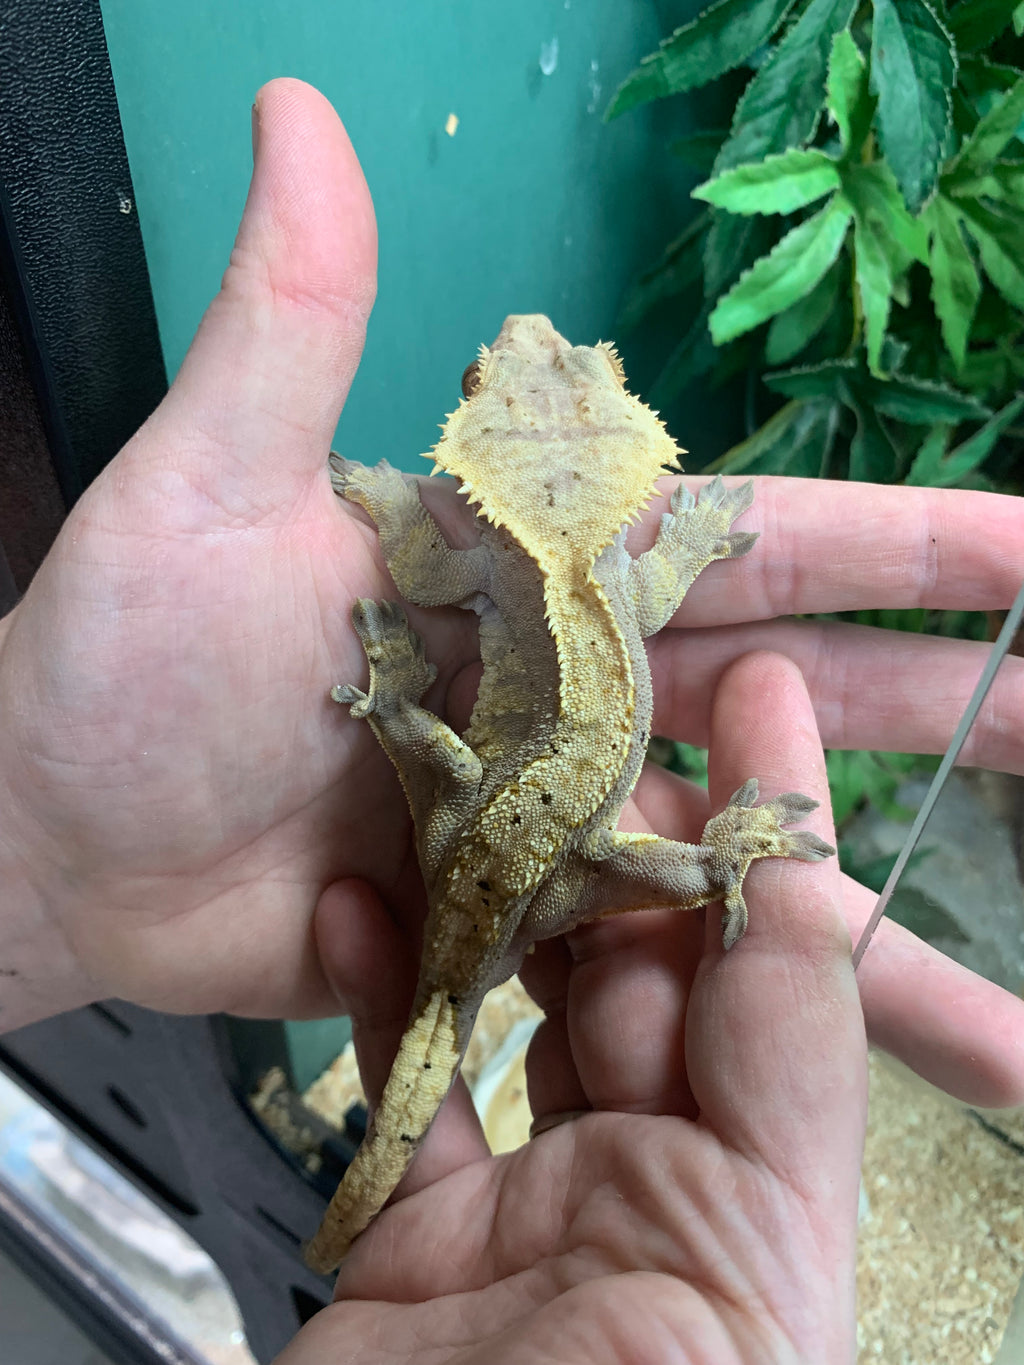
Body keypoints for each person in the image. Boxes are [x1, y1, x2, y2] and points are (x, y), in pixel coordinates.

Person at [1, 78, 1022, 1363]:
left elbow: (425, 577)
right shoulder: (618, 576)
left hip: (504, 845)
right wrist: (693, 534)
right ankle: (712, 860)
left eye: (564, 367)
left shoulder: (482, 561)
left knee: (439, 766)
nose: (541, 341)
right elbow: (657, 580)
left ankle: (644, 832)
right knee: (536, 854)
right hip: (533, 854)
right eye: (522, 368)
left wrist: (385, 512)